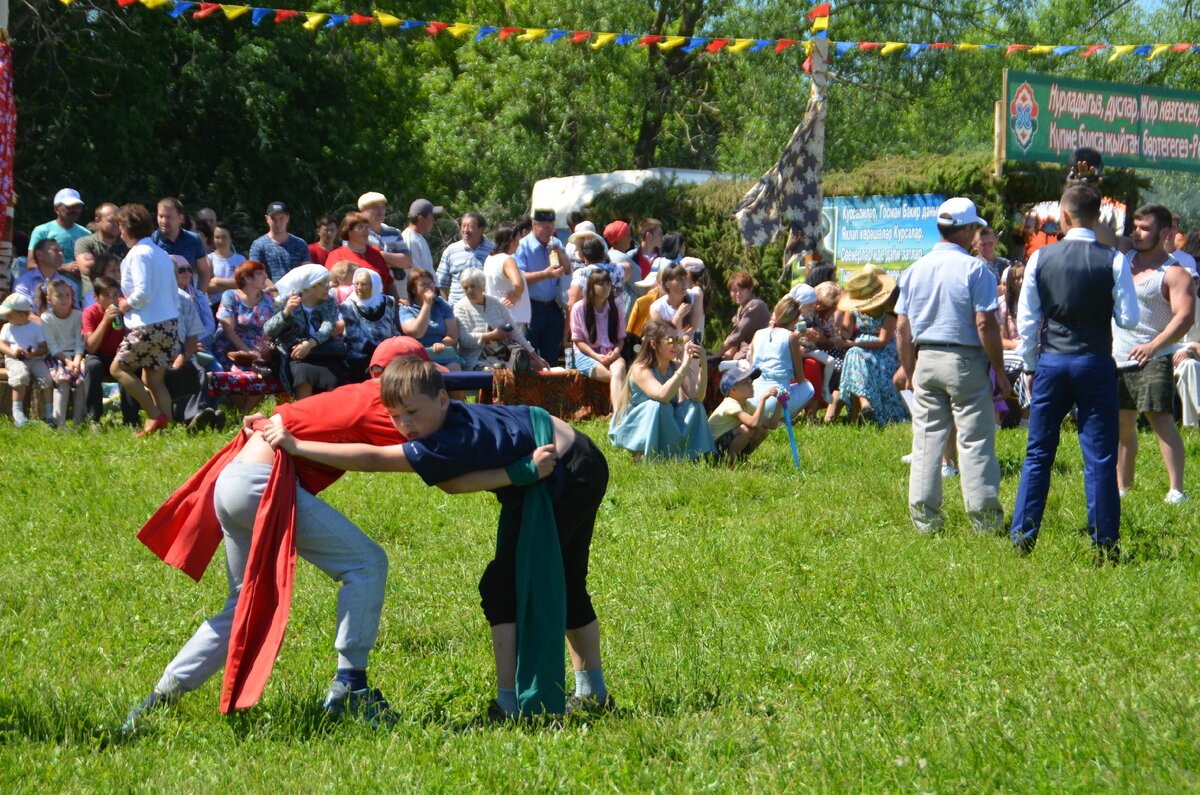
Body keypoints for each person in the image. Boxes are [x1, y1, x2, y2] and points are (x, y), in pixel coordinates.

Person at [262, 357, 614, 719]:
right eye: (395, 417)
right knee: (564, 583)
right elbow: (453, 484)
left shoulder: (444, 439)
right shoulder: (445, 421)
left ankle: (511, 704)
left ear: (443, 399)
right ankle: (592, 694)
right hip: (576, 459)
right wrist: (520, 471)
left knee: (503, 587)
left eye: (412, 412)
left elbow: (372, 458)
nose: (405, 425)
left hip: (563, 474)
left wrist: (298, 446)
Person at [124, 343, 450, 734]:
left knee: (240, 604)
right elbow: (431, 455)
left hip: (236, 476)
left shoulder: (356, 391)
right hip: (261, 482)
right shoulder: (378, 400)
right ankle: (350, 688)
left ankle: (158, 700)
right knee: (366, 563)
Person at [1009, 183, 1139, 558]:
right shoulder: (1113, 259)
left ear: (1063, 216)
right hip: (1096, 361)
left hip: (1052, 362)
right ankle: (1105, 545)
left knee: (1038, 453)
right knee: (1100, 457)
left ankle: (1023, 538)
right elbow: (1128, 319)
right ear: (1098, 217)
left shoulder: (1040, 259)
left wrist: (1031, 366)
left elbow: (1027, 320)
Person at [895, 198, 1008, 535]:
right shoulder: (976, 269)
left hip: (925, 357)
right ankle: (985, 522)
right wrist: (1000, 372)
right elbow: (985, 324)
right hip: (965, 361)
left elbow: (902, 328)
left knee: (926, 440)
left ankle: (925, 521)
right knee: (974, 441)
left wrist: (910, 370)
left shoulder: (915, 268)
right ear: (967, 230)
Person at [1113, 204, 1196, 504]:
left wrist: (1154, 346)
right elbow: (1095, 233)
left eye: (1144, 228)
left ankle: (1177, 490)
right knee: (1122, 425)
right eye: (1134, 226)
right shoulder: (1126, 255)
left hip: (1153, 357)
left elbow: (1185, 317)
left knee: (1161, 422)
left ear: (1165, 233)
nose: (1136, 232)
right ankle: (1123, 488)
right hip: (1118, 357)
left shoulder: (1174, 273)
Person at [112, 203, 181, 438]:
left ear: (127, 227)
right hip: (169, 323)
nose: (119, 232)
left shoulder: (139, 254)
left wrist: (125, 304)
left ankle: (154, 415)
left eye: (120, 226)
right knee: (153, 378)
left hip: (149, 324)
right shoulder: (160, 253)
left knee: (118, 368)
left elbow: (143, 292)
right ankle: (169, 429)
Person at [610, 320, 714, 460]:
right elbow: (662, 395)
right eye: (670, 339)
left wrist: (703, 365)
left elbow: (697, 397)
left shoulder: (675, 366)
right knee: (658, 405)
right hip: (635, 425)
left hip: (664, 420)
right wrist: (685, 366)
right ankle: (643, 453)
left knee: (695, 406)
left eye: (677, 339)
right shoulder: (640, 369)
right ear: (653, 344)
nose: (676, 344)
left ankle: (694, 454)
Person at [836, 266, 906, 426]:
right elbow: (846, 332)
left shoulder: (889, 309)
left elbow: (883, 340)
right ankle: (864, 404)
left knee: (854, 355)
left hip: (883, 351)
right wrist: (838, 329)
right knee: (855, 356)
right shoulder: (855, 308)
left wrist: (853, 344)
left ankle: (856, 413)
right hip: (860, 350)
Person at [264, 263, 345, 399]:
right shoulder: (286, 301)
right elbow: (268, 331)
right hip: (295, 355)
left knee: (333, 374)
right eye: (324, 283)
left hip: (322, 351)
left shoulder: (329, 301)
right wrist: (286, 312)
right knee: (303, 372)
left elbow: (328, 326)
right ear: (310, 286)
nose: (330, 286)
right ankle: (304, 414)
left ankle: (329, 416)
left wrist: (310, 343)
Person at [454, 267, 544, 371]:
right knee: (496, 373)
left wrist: (535, 357)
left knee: (529, 368)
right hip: (476, 361)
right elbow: (465, 340)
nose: (470, 291)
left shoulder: (495, 303)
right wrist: (490, 336)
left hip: (504, 358)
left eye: (473, 286)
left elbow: (515, 332)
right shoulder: (460, 307)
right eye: (466, 288)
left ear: (482, 286)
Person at [81, 275, 141, 426]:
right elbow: (90, 347)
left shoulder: (124, 310)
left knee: (129, 365)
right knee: (92, 366)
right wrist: (105, 321)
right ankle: (93, 419)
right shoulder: (90, 313)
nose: (112, 300)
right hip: (99, 356)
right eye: (106, 296)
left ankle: (131, 420)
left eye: (115, 295)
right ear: (96, 297)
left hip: (119, 354)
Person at [746, 296, 815, 427]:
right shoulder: (792, 337)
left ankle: (773, 418)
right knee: (808, 388)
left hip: (752, 396)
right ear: (795, 319)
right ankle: (781, 419)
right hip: (776, 397)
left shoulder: (758, 333)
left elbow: (751, 367)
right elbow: (800, 378)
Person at [515, 209, 568, 365]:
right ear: (534, 225)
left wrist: (560, 252)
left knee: (551, 355)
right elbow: (519, 278)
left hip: (551, 305)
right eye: (545, 227)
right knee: (529, 356)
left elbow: (568, 269)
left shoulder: (555, 243)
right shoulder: (523, 246)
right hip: (530, 306)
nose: (549, 231)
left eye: (551, 226)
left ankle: (551, 387)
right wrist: (545, 274)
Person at [569, 268, 627, 410]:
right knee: (618, 378)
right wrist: (596, 356)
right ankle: (621, 415)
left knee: (618, 370)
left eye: (608, 284)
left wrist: (615, 353)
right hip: (586, 354)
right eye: (601, 284)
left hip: (610, 352)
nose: (606, 288)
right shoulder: (579, 308)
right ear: (591, 286)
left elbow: (620, 339)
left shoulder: (616, 307)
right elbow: (578, 341)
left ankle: (619, 416)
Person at [0, 293, 53, 427]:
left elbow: (44, 347)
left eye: (10, 314)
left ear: (23, 315)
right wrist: (13, 352)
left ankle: (49, 414)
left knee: (46, 379)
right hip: (14, 359)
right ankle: (18, 413)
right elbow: (2, 344)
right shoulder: (7, 328)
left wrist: (33, 353)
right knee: (20, 375)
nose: (7, 317)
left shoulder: (36, 328)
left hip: (34, 359)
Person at [213, 260, 274, 374]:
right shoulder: (231, 296)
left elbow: (273, 327)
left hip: (259, 352)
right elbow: (228, 331)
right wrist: (248, 351)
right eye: (260, 273)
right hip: (232, 351)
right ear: (247, 278)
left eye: (265, 273)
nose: (265, 276)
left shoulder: (268, 298)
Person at [40, 278, 87, 427]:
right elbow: (53, 347)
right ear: (49, 299)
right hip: (57, 357)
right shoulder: (46, 318)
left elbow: (80, 343)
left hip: (76, 356)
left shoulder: (78, 315)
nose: (64, 299)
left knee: (81, 381)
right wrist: (67, 362)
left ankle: (78, 424)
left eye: (67, 295)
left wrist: (77, 361)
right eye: (59, 296)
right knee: (63, 380)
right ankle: (59, 423)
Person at [708, 365, 774, 468]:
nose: (751, 385)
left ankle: (741, 459)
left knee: (762, 430)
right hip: (713, 449)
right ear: (733, 389)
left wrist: (780, 404)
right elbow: (753, 423)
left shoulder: (746, 404)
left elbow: (771, 424)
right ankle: (729, 463)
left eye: (751, 382)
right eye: (745, 383)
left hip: (726, 443)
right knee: (746, 429)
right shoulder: (730, 403)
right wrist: (763, 400)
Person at [340, 268, 399, 382]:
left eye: (364, 284)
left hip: (386, 355)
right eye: (356, 284)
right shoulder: (347, 306)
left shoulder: (389, 302)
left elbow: (393, 329)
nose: (359, 288)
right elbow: (352, 337)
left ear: (375, 285)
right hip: (359, 360)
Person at [324, 212, 399, 301]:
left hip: (381, 306)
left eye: (367, 227)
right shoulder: (336, 255)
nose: (365, 231)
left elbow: (389, 282)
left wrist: (396, 302)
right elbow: (330, 285)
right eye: (360, 227)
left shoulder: (375, 252)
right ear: (349, 232)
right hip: (350, 308)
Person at [400, 268, 462, 370]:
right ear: (413, 289)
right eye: (423, 285)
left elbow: (453, 334)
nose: (428, 287)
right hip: (419, 357)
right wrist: (427, 304)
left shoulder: (441, 304)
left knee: (454, 367)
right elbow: (417, 333)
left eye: (430, 283)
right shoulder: (406, 310)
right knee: (433, 371)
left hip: (442, 353)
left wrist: (441, 344)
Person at [152, 198, 212, 295]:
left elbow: (204, 271)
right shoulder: (152, 241)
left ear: (180, 218)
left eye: (168, 217)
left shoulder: (193, 240)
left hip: (188, 300)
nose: (163, 221)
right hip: (162, 299)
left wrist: (198, 296)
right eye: (161, 216)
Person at [74, 202, 129, 306]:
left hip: (121, 298)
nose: (116, 224)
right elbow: (85, 269)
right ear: (97, 221)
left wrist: (95, 261)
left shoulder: (126, 244)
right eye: (111, 221)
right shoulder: (85, 242)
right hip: (94, 300)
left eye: (118, 221)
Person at [436, 212, 493, 307]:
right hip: (457, 309)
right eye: (463, 226)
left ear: (481, 229)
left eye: (470, 227)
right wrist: (446, 309)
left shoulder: (493, 250)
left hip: (485, 308)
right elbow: (441, 283)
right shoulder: (451, 250)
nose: (465, 230)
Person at [358, 192, 413, 288]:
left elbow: (407, 261)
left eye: (382, 207)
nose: (380, 211)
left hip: (398, 290)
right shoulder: (356, 233)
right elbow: (359, 263)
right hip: (370, 289)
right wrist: (395, 262)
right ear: (363, 211)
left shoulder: (394, 232)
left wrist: (377, 254)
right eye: (375, 207)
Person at [483, 223, 530, 334]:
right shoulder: (508, 260)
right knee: (515, 350)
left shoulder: (490, 258)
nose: (519, 244)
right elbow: (518, 283)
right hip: (512, 317)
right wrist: (516, 295)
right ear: (511, 240)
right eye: (518, 240)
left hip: (495, 314)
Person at [248, 202, 309, 285]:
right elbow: (256, 272)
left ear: (288, 218)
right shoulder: (258, 245)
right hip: (269, 295)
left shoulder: (300, 244)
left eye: (281, 218)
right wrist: (276, 292)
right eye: (273, 218)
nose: (277, 222)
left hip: (296, 293)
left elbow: (307, 270)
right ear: (267, 219)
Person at [29, 188, 89, 268]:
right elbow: (31, 265)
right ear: (56, 209)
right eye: (70, 206)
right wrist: (63, 268)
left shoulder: (86, 234)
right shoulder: (42, 231)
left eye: (78, 206)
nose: (75, 210)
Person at [718, 271, 771, 360]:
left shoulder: (755, 305)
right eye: (734, 290)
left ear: (750, 289)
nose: (738, 294)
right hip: (745, 352)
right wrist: (726, 356)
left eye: (741, 289)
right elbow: (734, 339)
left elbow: (737, 336)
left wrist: (717, 354)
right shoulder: (741, 309)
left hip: (757, 354)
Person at [15, 239, 74, 314]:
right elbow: (24, 313)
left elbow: (73, 315)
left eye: (61, 251)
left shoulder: (70, 285)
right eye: (55, 250)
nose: (61, 254)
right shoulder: (23, 282)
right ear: (39, 254)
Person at [402, 198, 442, 282]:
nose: (434, 221)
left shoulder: (419, 237)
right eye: (432, 217)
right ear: (421, 219)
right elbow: (415, 275)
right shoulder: (410, 239)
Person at [207, 224, 245, 307]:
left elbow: (244, 283)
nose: (220, 240)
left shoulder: (241, 259)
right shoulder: (208, 259)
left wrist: (217, 280)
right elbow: (208, 287)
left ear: (231, 238)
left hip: (237, 303)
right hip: (215, 305)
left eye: (224, 237)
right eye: (217, 237)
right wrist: (233, 284)